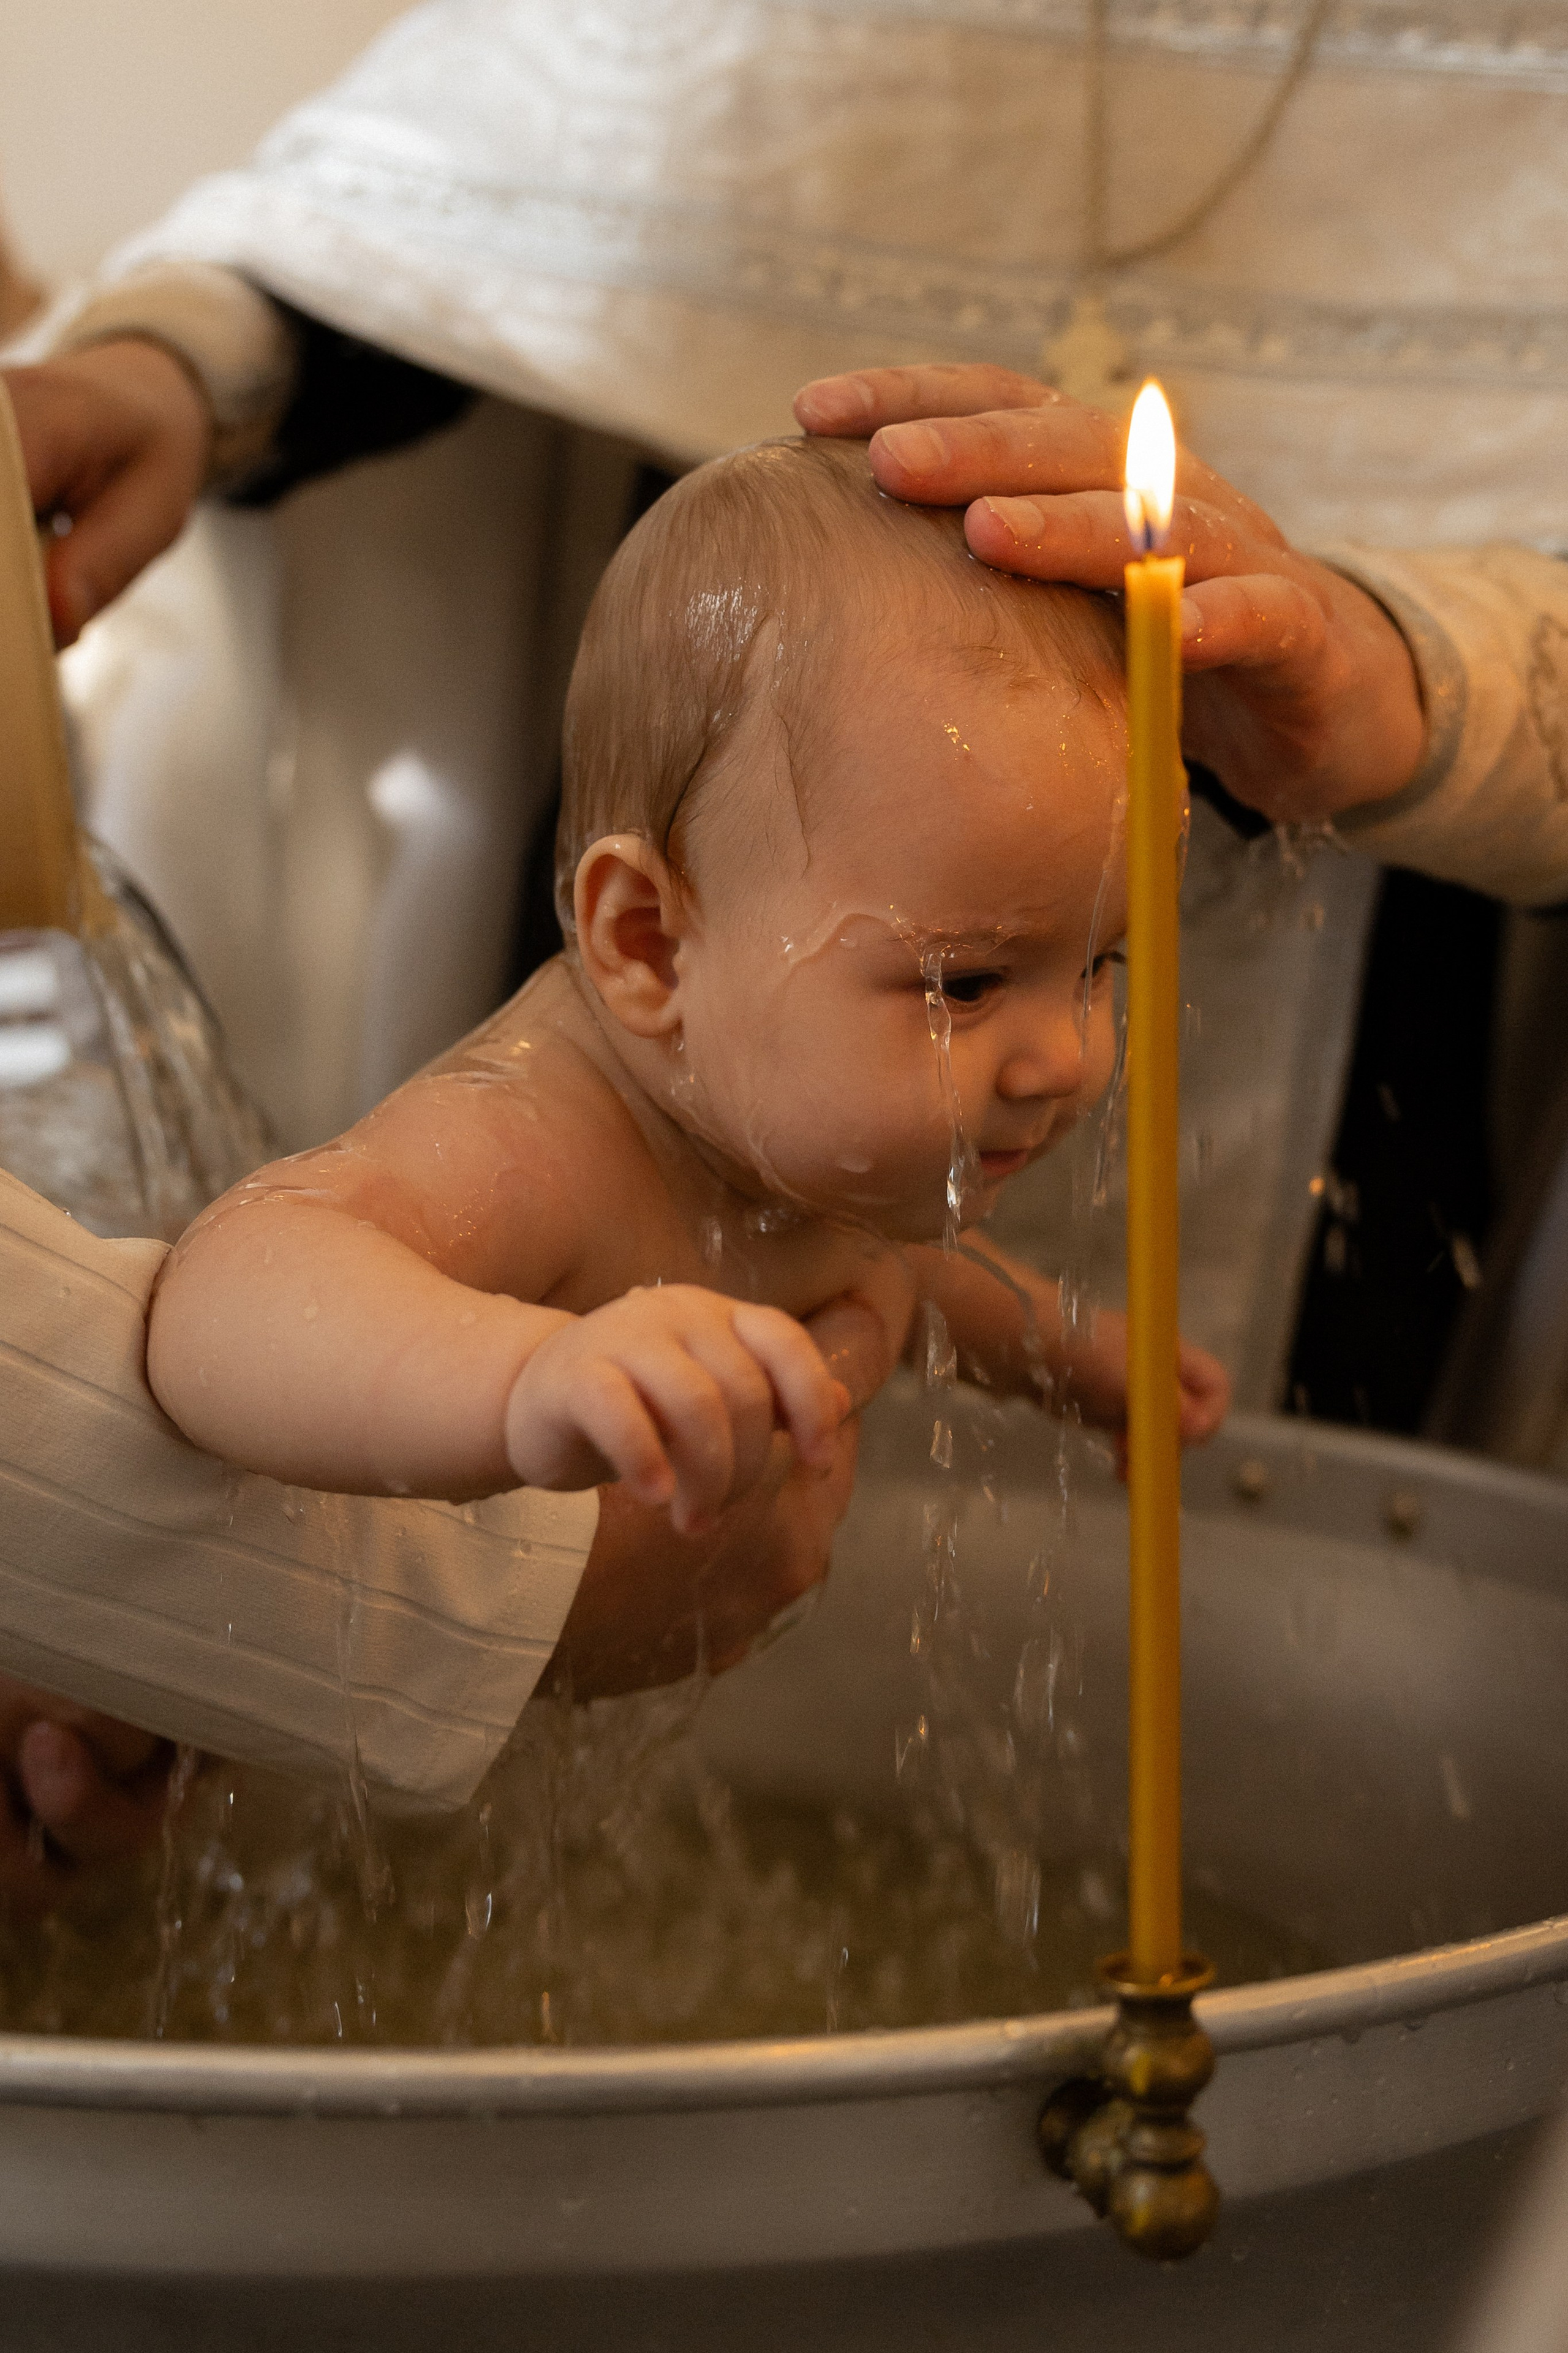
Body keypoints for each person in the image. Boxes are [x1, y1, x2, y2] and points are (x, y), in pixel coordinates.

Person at [143, 437, 1228, 1509]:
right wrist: (521, 1377)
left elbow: (893, 1256)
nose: (1072, 1057)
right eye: (970, 985)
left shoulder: (791, 1117)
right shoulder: (539, 1144)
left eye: (1096, 964)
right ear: (650, 943)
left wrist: (1057, 1344)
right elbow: (222, 1294)